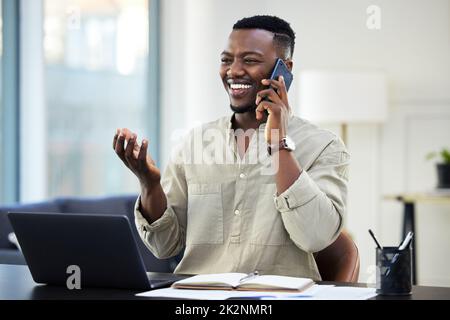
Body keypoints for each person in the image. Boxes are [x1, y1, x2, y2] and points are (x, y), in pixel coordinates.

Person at [112, 15, 349, 280]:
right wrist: (149, 184)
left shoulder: (324, 146)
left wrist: (278, 143)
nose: (234, 71)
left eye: (249, 60)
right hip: (196, 299)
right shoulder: (194, 143)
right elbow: (164, 246)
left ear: (284, 69)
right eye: (226, 60)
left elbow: (316, 236)